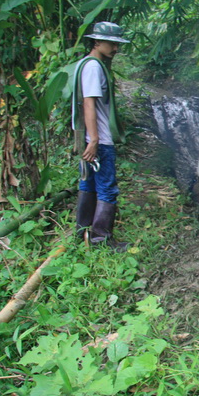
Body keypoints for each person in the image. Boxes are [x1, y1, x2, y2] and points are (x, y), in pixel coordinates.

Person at [71, 21, 130, 250]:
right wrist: (95, 140)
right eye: (111, 43)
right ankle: (101, 241)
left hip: (89, 138)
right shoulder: (94, 67)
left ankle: (83, 232)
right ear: (97, 42)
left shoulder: (84, 64)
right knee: (107, 187)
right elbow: (89, 104)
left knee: (88, 184)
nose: (115, 48)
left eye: (117, 44)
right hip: (99, 140)